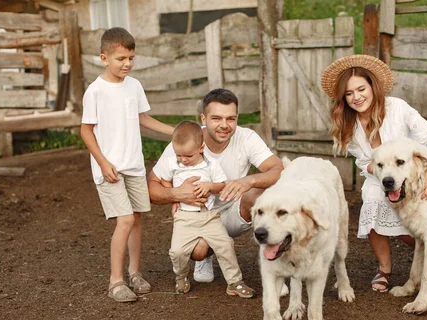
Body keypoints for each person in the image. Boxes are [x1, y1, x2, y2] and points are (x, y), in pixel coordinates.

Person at [320, 54, 427, 292]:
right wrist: (381, 171)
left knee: (420, 218)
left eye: (361, 89)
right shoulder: (348, 125)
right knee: (372, 203)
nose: (356, 97)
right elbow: (364, 162)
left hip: (415, 174)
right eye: (349, 94)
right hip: (379, 176)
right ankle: (385, 268)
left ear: (372, 86)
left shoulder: (397, 108)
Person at [148, 88, 283, 286]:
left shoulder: (246, 137)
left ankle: (275, 272)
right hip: (200, 215)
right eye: (216, 118)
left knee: (262, 195)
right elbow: (151, 186)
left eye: (231, 119)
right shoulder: (187, 140)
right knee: (197, 251)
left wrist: (249, 181)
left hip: (233, 210)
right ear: (203, 118)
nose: (224, 125)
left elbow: (278, 169)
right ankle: (206, 256)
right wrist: (176, 194)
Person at [81, 27, 174, 302]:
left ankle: (135, 273)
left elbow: (144, 119)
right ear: (104, 57)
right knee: (124, 220)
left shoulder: (134, 85)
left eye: (131, 58)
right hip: (109, 168)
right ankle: (115, 281)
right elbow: (86, 131)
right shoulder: (95, 91)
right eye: (121, 58)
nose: (127, 64)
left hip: (133, 165)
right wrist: (103, 161)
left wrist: (176, 132)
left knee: (136, 219)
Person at [155, 120, 255, 298]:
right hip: (184, 218)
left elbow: (221, 185)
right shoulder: (172, 163)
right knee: (177, 251)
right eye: (179, 155)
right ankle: (181, 276)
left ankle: (234, 282)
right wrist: (174, 195)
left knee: (225, 245)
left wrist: (209, 186)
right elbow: (161, 177)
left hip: (209, 216)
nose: (183, 160)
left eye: (188, 156)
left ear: (201, 148)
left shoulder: (211, 165)